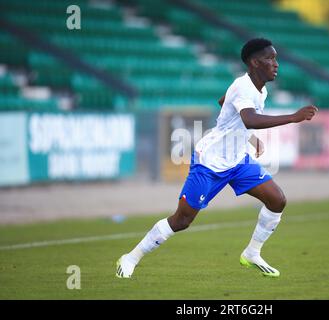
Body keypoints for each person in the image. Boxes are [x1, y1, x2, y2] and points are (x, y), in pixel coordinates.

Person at [116, 38, 318, 278]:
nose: (276, 64)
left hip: (237, 160)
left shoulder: (259, 89)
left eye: (276, 58)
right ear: (254, 62)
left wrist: (248, 137)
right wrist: (293, 117)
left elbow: (226, 104)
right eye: (270, 59)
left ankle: (252, 253)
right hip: (210, 163)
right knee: (182, 220)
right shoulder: (242, 87)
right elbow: (250, 119)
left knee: (277, 200)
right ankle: (130, 258)